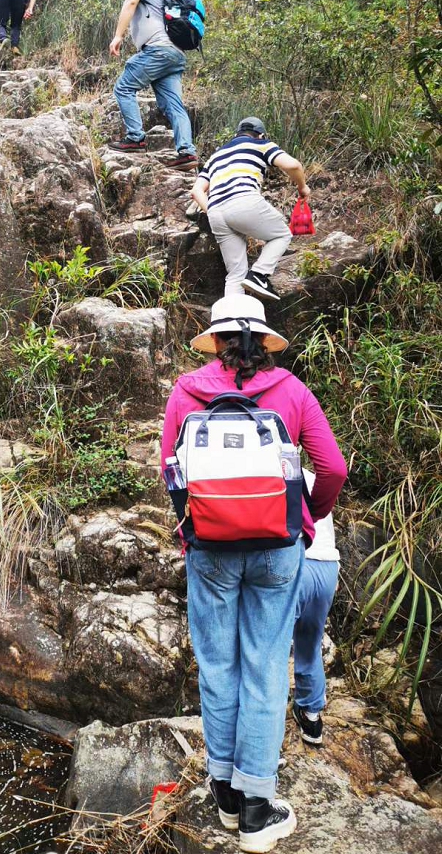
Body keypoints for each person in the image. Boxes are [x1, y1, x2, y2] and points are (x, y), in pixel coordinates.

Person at [161, 294, 346, 853]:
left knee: (218, 665)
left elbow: (171, 471)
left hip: (210, 548)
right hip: (276, 548)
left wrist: (193, 527)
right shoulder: (291, 391)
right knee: (265, 668)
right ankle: (257, 812)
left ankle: (224, 796)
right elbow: (332, 468)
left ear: (215, 341)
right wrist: (305, 519)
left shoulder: (186, 391)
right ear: (265, 342)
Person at [190, 117, 309, 302]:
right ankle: (259, 275)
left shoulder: (216, 156)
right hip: (243, 200)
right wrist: (302, 188)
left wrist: (212, 210)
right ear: (261, 135)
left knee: (235, 274)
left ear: (237, 134)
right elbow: (293, 165)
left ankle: (231, 316)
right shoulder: (260, 144)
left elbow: (196, 191)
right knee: (282, 235)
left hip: (215, 211)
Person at [108, 0, 197, 168]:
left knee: (123, 87)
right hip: (174, 54)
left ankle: (135, 137)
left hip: (158, 50)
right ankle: (187, 152)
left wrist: (118, 35)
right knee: (173, 105)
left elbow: (131, 2)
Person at [292, 469, 339, 746]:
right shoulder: (313, 476)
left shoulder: (271, 470)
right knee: (310, 642)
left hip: (298, 562)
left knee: (272, 651)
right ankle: (311, 717)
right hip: (328, 567)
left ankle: (267, 734)